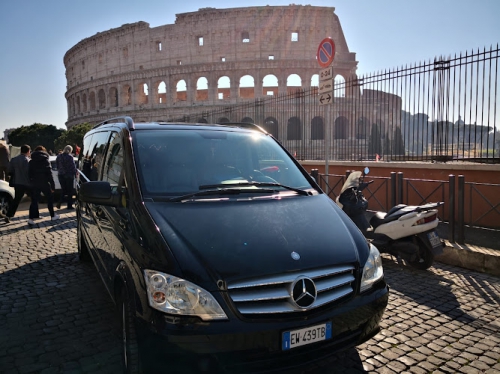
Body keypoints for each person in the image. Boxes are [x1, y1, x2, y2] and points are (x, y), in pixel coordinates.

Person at [28, 145, 59, 225]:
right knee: (50, 199)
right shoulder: (45, 160)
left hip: (35, 183)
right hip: (44, 182)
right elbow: (49, 173)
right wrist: (52, 185)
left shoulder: (31, 161)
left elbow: (29, 174)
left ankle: (30, 218)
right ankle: (52, 215)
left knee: (34, 201)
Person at [3, 144, 31, 223]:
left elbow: (9, 171)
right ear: (28, 151)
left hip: (17, 182)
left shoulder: (13, 159)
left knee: (17, 199)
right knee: (34, 198)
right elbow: (30, 172)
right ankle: (34, 215)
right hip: (27, 182)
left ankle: (9, 215)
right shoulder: (28, 160)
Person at [55, 145, 77, 209]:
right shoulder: (70, 157)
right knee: (70, 190)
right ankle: (69, 205)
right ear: (70, 150)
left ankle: (60, 201)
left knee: (63, 189)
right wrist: (74, 174)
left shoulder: (59, 156)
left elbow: (57, 165)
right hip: (69, 175)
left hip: (61, 175)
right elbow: (73, 166)